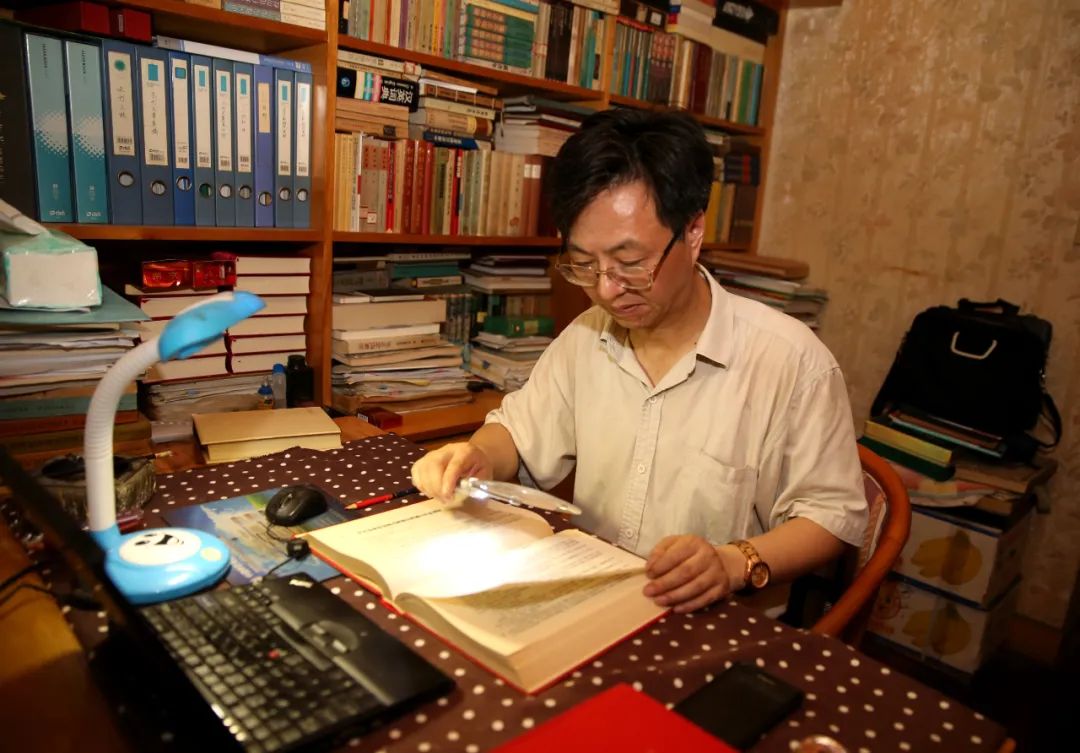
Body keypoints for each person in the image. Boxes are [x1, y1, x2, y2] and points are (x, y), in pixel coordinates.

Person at [411, 109, 868, 614]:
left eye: (630, 263)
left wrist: (732, 562)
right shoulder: (587, 338)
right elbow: (517, 435)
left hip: (715, 621)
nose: (607, 289)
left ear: (693, 231)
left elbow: (832, 517)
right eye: (585, 264)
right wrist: (476, 455)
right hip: (591, 598)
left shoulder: (791, 362)